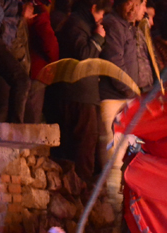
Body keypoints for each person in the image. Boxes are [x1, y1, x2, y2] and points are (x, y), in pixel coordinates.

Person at [54, 0, 112, 182]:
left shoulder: (82, 24)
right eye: (101, 13)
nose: (102, 18)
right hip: (79, 95)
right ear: (93, 7)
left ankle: (78, 189)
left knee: (87, 144)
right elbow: (85, 56)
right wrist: (98, 38)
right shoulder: (76, 24)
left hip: (85, 94)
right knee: (83, 146)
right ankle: (80, 190)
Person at [99, 0, 152, 165]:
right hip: (114, 97)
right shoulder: (114, 25)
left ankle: (120, 188)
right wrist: (131, 90)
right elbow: (115, 63)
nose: (135, 8)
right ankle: (111, 189)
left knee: (128, 150)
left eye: (137, 4)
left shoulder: (132, 27)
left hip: (131, 96)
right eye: (130, 3)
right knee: (113, 149)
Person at [24, 0, 58, 123]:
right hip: (36, 71)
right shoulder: (39, 12)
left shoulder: (23, 8)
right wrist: (54, 63)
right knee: (32, 118)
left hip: (25, 68)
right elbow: (49, 43)